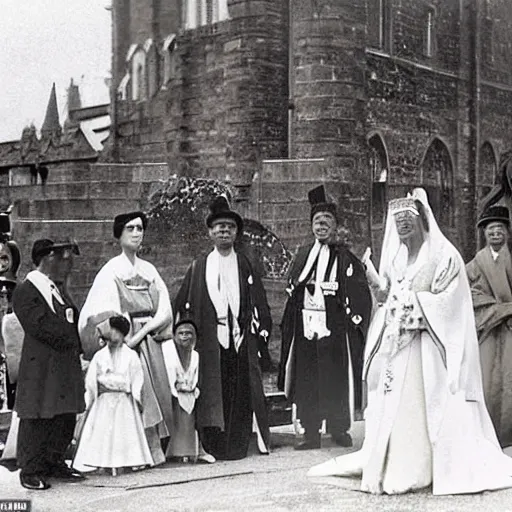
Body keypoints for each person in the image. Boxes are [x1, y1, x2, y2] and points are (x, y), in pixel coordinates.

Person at [308, 188, 512, 495]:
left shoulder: (444, 256)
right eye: (398, 220)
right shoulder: (398, 258)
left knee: (427, 404)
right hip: (399, 346)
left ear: (422, 221)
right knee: (395, 407)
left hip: (430, 349)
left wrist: (416, 305)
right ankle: (397, 464)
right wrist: (384, 294)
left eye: (408, 220)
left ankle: (430, 464)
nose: (402, 226)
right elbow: (390, 295)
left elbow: (453, 301)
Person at [174, 195, 272, 460]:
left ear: (236, 232)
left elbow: (259, 301)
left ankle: (238, 444)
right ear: (210, 232)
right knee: (213, 392)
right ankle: (215, 444)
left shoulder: (244, 263)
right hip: (211, 338)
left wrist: (257, 331)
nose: (224, 230)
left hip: (240, 336)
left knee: (240, 390)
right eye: (219, 227)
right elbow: (183, 303)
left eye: (229, 226)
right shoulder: (200, 266)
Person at [278, 185, 372, 450]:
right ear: (311, 226)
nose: (321, 226)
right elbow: (292, 286)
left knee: (335, 378)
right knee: (308, 378)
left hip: (334, 327)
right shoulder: (303, 255)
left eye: (327, 222)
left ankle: (339, 428)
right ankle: (309, 431)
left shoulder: (346, 257)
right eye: (317, 222)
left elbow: (359, 291)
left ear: (335, 227)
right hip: (307, 327)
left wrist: (349, 315)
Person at [78, 211, 174, 466]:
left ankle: (153, 450)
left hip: (148, 336)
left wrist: (145, 331)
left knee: (157, 389)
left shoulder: (149, 269)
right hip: (124, 336)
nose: (136, 233)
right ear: (119, 234)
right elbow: (106, 310)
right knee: (131, 391)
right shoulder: (110, 270)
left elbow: (164, 308)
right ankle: (126, 453)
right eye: (130, 228)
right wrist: (124, 339)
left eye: (140, 228)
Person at [13, 239, 85, 490]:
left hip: (64, 363)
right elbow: (39, 325)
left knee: (64, 414)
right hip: (41, 366)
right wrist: (69, 336)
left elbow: (70, 319)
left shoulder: (57, 288)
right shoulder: (26, 290)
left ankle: (54, 461)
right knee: (38, 416)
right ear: (46, 258)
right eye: (60, 256)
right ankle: (30, 469)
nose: (66, 263)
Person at [73, 315, 153, 475]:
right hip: (104, 400)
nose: (113, 335)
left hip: (124, 400)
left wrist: (135, 396)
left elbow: (137, 378)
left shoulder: (131, 355)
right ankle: (102, 462)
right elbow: (91, 380)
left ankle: (127, 461)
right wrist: (91, 397)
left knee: (124, 430)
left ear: (123, 334)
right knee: (103, 430)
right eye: (112, 331)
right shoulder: (99, 356)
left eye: (117, 331)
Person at [466, 205, 512, 447]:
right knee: (487, 379)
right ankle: (488, 431)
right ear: (484, 234)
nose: (495, 234)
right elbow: (469, 293)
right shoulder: (477, 262)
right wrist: (500, 309)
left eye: (500, 229)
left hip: (510, 329)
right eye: (491, 230)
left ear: (507, 233)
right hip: (488, 330)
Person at [161, 313, 215, 463]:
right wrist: (177, 389)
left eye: (188, 333)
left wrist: (192, 387)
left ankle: (192, 450)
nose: (185, 337)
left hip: (190, 392)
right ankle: (175, 452)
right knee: (179, 421)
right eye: (181, 334)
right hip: (175, 393)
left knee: (190, 422)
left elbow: (195, 375)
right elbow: (169, 375)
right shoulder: (169, 354)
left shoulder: (195, 355)